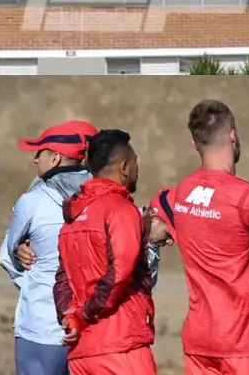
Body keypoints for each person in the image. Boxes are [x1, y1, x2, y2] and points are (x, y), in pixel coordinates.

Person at [165, 99, 249, 375]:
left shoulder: (183, 191)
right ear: (233, 135)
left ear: (194, 143)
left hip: (199, 340)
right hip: (243, 343)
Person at [53, 129, 156, 374]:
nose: (137, 170)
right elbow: (120, 271)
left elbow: (62, 278)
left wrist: (71, 317)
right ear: (124, 167)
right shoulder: (121, 210)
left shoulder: (74, 216)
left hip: (81, 353)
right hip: (121, 347)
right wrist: (89, 311)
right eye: (135, 163)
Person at [0, 120, 97, 375]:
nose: (35, 160)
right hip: (96, 331)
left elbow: (7, 255)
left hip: (42, 328)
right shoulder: (112, 200)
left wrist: (35, 278)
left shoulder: (33, 201)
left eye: (40, 152)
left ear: (54, 158)